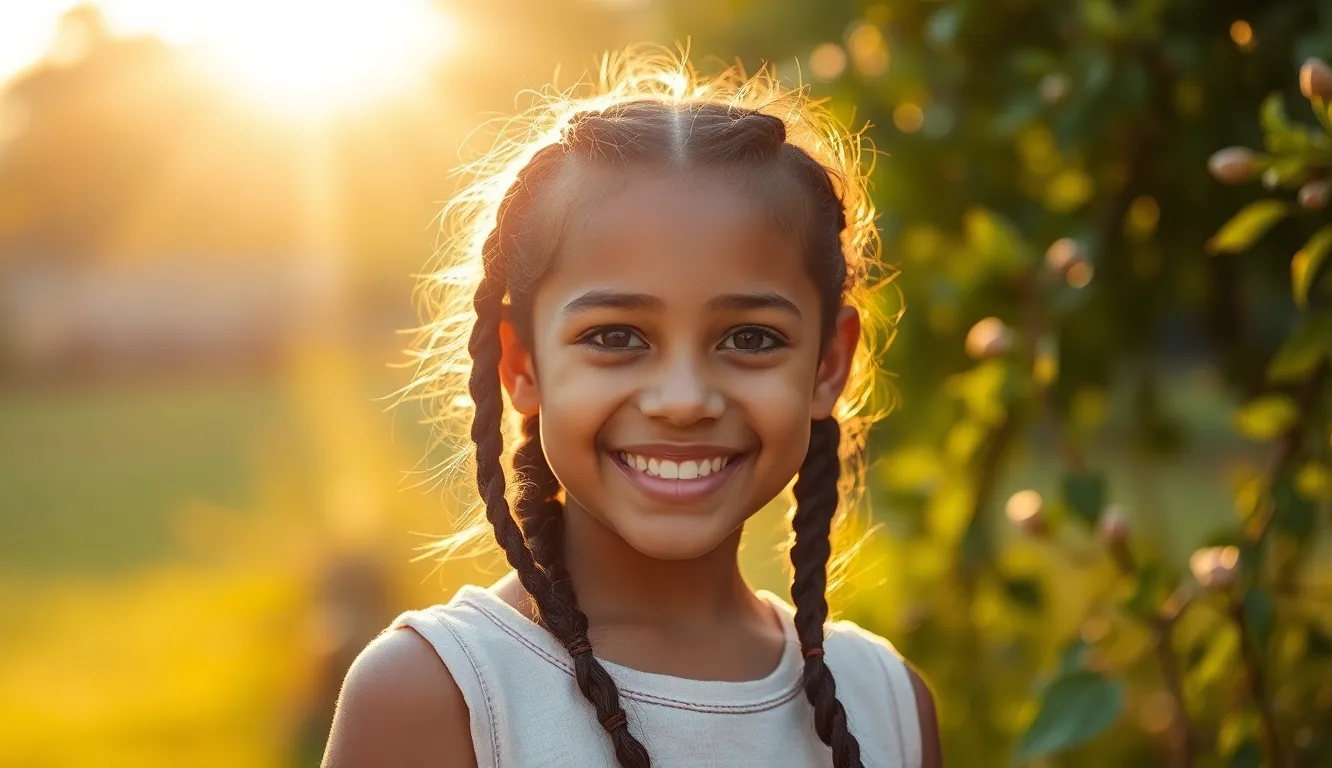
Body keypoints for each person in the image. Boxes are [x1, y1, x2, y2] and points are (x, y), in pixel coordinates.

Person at [322, 48, 942, 768]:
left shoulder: (888, 704)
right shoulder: (440, 697)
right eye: (616, 336)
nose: (683, 401)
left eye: (750, 338)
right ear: (522, 364)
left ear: (828, 365)